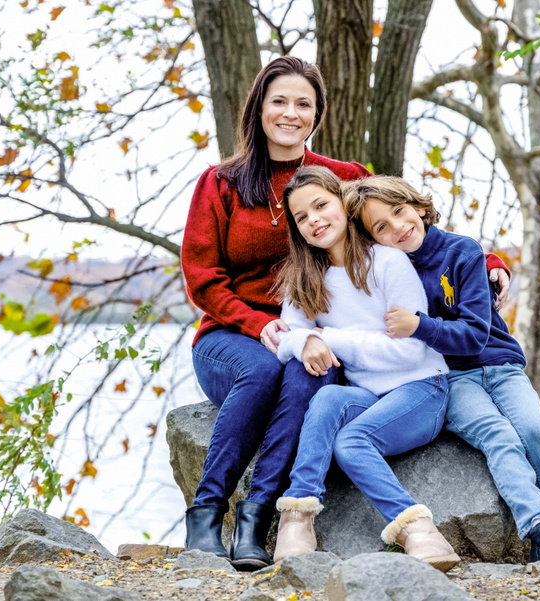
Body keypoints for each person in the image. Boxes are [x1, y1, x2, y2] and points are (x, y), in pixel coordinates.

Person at [179, 56, 371, 570]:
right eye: (279, 101)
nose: (290, 113)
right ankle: (205, 513)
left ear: (317, 114)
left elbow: (407, 224)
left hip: (311, 333)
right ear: (259, 109)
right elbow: (202, 279)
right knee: (264, 369)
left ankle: (256, 518)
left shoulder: (344, 180)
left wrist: (485, 263)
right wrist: (258, 323)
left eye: (303, 104)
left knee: (313, 368)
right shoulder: (220, 182)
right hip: (229, 334)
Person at [344, 176, 540, 563]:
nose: (398, 227)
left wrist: (420, 325)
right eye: (381, 228)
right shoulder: (387, 271)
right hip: (451, 378)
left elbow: (476, 335)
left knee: (535, 430)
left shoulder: (463, 252)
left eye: (399, 212)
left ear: (420, 208)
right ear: (372, 239)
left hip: (500, 365)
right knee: (499, 436)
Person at [270, 165, 460, 572]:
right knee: (328, 397)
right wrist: (306, 338)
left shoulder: (387, 261)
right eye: (302, 217)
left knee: (351, 442)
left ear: (342, 203)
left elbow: (409, 351)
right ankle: (298, 515)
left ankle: (419, 530)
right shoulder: (305, 278)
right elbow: (287, 337)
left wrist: (328, 337)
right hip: (368, 395)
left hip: (422, 388)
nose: (314, 219)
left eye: (321, 205)